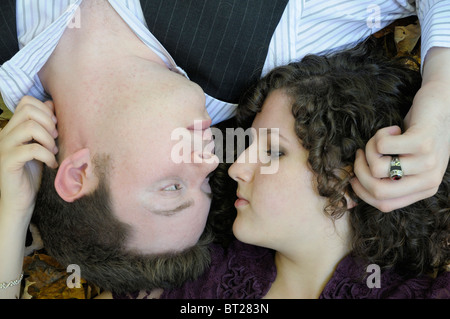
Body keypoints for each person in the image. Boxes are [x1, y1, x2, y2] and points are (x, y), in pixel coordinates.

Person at [0, 0, 449, 298]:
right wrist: (440, 103)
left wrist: (11, 213)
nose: (218, 161)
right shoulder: (280, 53)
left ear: (76, 174)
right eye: (186, 186)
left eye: (178, 185)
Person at [120, 40, 449, 299]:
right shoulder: (194, 281)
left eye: (273, 152)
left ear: (349, 180)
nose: (237, 168)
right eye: (247, 146)